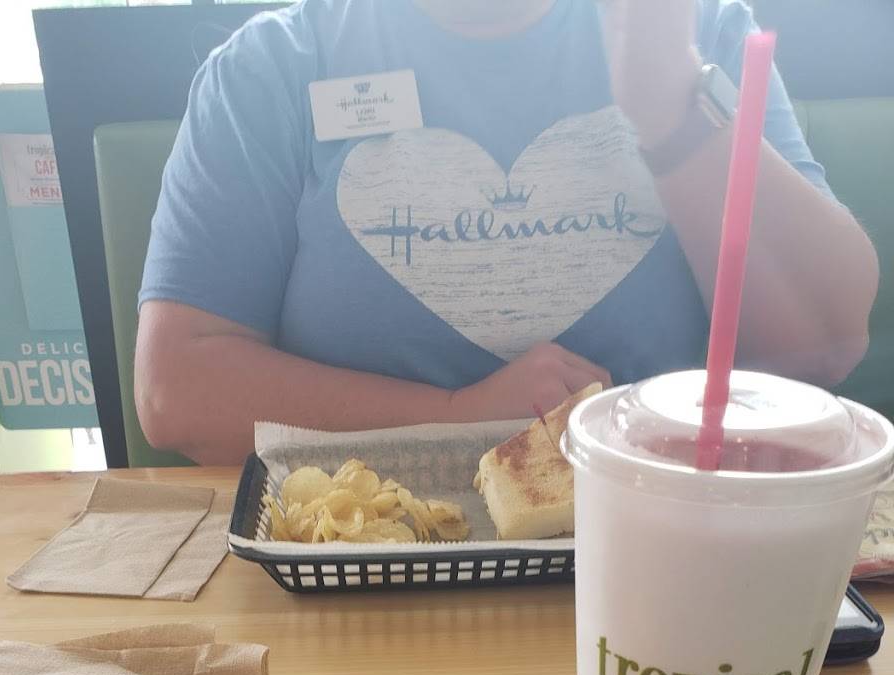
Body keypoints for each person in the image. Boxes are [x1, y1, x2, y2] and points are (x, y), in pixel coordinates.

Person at [135, 0, 879, 464]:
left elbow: (823, 344)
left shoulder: (698, 30)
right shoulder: (270, 70)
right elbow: (178, 392)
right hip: (354, 574)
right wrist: (455, 420)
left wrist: (671, 105)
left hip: (672, 551)